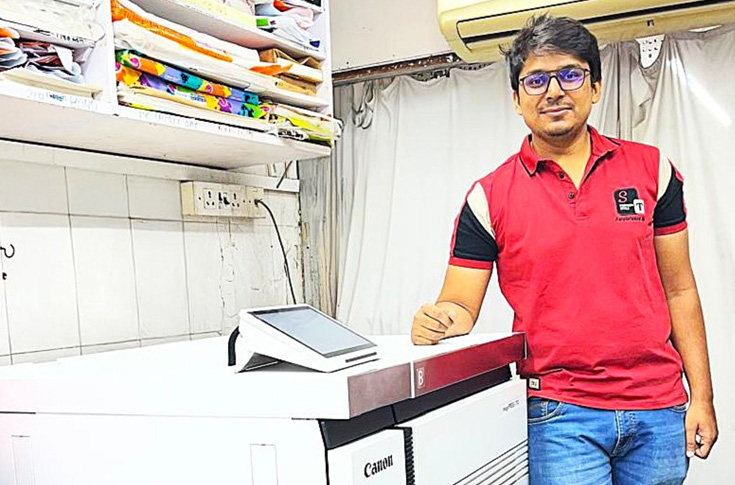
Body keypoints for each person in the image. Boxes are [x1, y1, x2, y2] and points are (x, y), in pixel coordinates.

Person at [411, 14, 718, 485]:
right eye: (535, 80)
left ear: (595, 87)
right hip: (558, 414)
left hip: (659, 407)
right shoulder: (487, 197)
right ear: (516, 99)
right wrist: (437, 321)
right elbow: (459, 306)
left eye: (570, 75)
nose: (553, 91)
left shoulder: (653, 170)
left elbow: (680, 290)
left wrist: (703, 397)